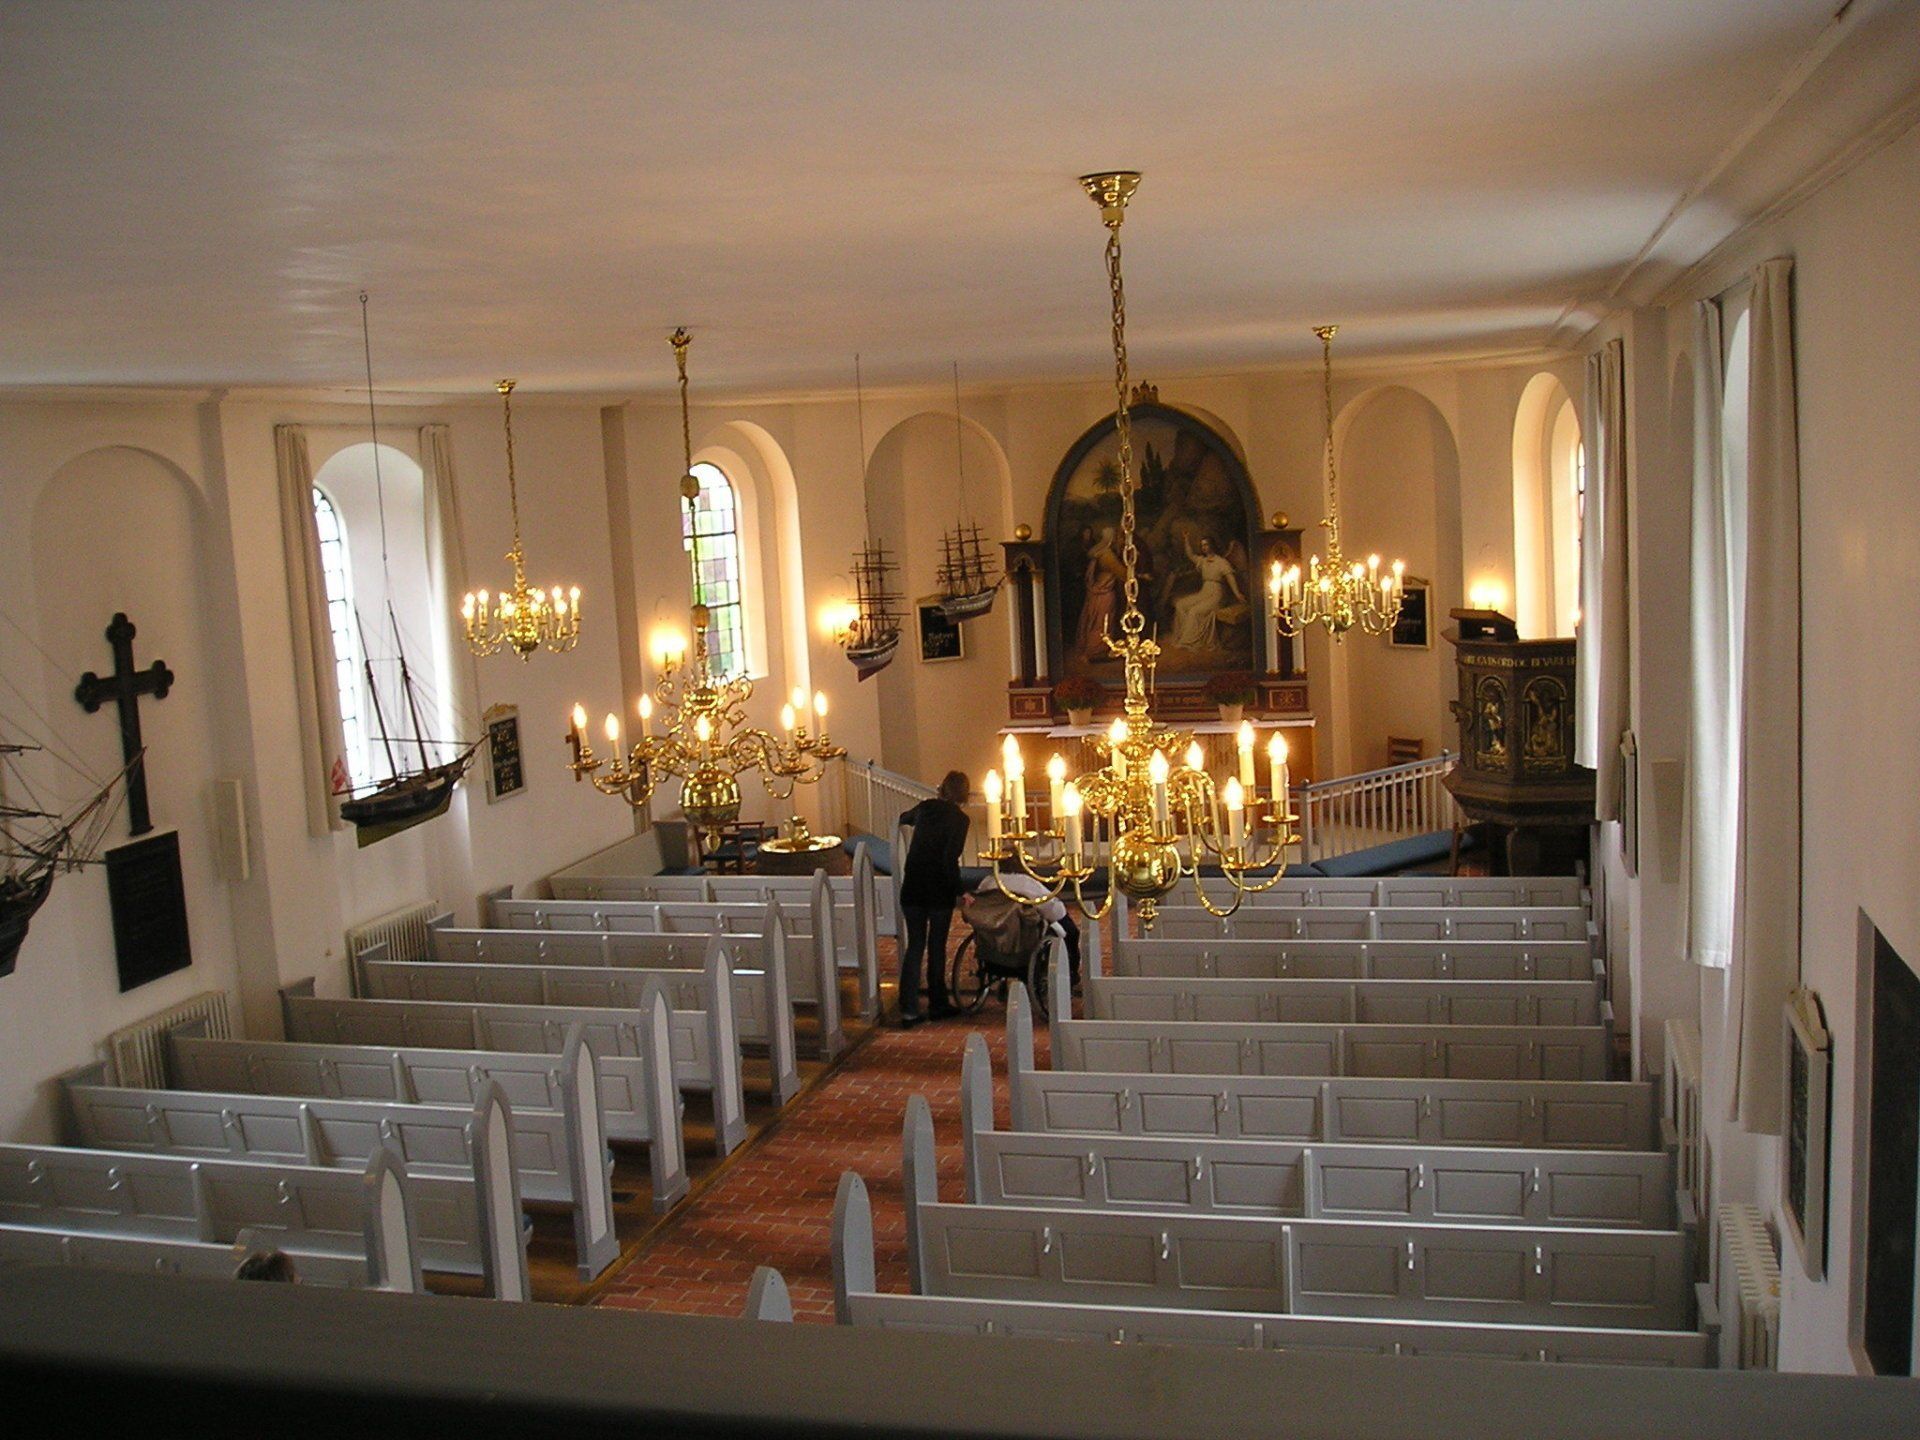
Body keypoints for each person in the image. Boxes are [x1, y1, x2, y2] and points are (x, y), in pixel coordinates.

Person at [896, 771, 971, 1026]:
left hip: (913, 886)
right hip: (938, 890)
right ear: (964, 794)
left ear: (941, 788)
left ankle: (908, 1008)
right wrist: (961, 891)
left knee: (915, 946)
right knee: (936, 946)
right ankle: (938, 1004)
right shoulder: (960, 820)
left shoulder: (926, 808)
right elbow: (949, 859)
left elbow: (903, 819)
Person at [974, 871, 1080, 988]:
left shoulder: (988, 882)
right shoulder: (1026, 883)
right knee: (1071, 931)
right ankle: (1071, 972)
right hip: (1021, 944)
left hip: (993, 941)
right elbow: (1052, 908)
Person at [1168, 533, 1245, 651]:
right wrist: (1186, 539)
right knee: (1180, 605)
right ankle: (1182, 635)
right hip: (1204, 592)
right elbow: (1190, 555)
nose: (1204, 548)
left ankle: (1190, 642)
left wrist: (1237, 593)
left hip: (1216, 594)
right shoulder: (1203, 561)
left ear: (1212, 546)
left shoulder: (1221, 562)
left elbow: (1230, 578)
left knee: (1195, 611)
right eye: (1202, 545)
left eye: (1206, 545)